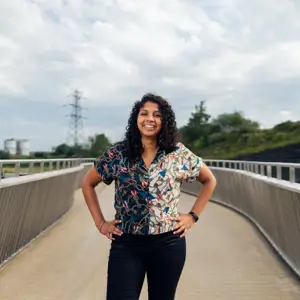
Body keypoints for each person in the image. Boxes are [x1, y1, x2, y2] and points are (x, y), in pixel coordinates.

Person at [82, 93, 217, 300]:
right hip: (126, 243)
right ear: (136, 119)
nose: (150, 119)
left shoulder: (177, 153)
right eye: (144, 114)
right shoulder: (119, 153)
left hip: (168, 244)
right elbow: (88, 183)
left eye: (157, 115)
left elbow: (209, 180)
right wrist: (101, 223)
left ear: (165, 121)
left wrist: (192, 216)